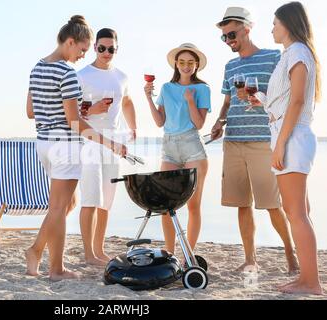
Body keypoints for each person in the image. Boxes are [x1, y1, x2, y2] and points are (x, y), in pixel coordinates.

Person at [25, 15, 127, 281]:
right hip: (66, 146)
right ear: (70, 42)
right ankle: (56, 269)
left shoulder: (37, 67)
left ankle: (36, 250)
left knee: (68, 203)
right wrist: (110, 143)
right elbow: (74, 122)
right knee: (59, 207)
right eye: (82, 49)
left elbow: (30, 112)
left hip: (44, 143)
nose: (83, 55)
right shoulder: (67, 72)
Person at [210, 7, 299, 273]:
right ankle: (250, 259)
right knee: (241, 204)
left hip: (263, 140)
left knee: (272, 204)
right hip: (234, 140)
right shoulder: (230, 65)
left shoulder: (274, 57)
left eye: (232, 34)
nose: (229, 40)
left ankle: (290, 254)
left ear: (247, 28)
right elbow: (226, 102)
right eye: (224, 37)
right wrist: (219, 122)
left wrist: (259, 96)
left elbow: (287, 94)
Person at [248, 2, 322, 295]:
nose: (272, 28)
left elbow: (297, 102)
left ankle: (310, 282)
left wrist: (279, 146)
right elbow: (285, 100)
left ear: (289, 24)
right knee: (300, 210)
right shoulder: (291, 54)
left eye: (275, 23)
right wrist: (263, 100)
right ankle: (308, 277)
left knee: (296, 213)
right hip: (288, 135)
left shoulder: (299, 53)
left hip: (292, 139)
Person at [77, 28, 137, 266]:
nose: (106, 52)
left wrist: (134, 128)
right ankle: (88, 253)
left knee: (107, 200)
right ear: (94, 48)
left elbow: (128, 101)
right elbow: (71, 113)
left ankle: (99, 250)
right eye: (101, 48)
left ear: (116, 49)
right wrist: (92, 110)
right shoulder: (81, 75)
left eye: (110, 49)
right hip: (88, 140)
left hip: (113, 142)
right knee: (91, 198)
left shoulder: (121, 76)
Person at [144, 43, 210, 253]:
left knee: (193, 205)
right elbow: (159, 121)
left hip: (192, 145)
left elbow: (199, 124)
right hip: (169, 146)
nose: (186, 66)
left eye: (190, 62)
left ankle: (188, 254)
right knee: (166, 205)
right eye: (182, 62)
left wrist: (190, 100)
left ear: (196, 64)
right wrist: (148, 97)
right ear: (176, 64)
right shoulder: (166, 88)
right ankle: (170, 252)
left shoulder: (202, 88)